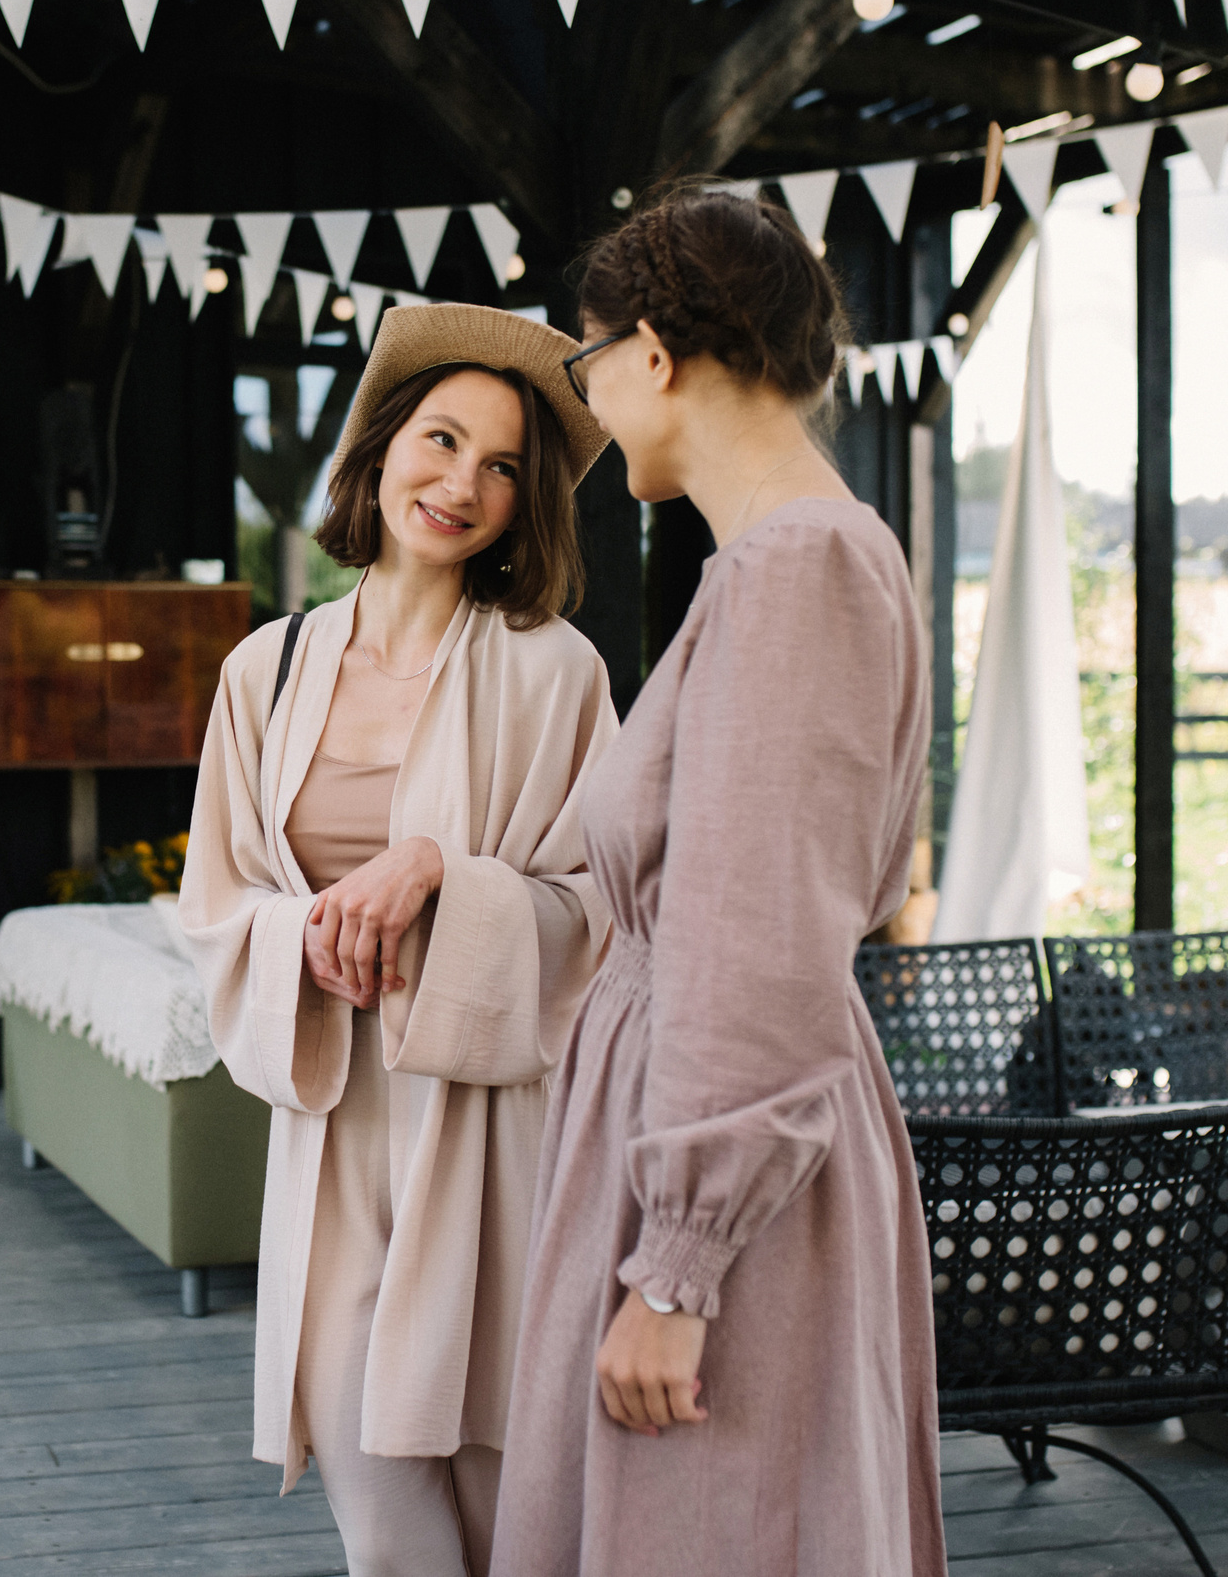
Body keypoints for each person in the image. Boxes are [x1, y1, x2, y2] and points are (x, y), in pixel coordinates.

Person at [491, 186, 948, 1576]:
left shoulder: (795, 571)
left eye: (587, 365)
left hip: (727, 1181)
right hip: (713, 1137)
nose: (591, 408)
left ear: (654, 354)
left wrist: (678, 1267)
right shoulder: (796, 560)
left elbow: (756, 940)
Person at [182, 304, 618, 1576]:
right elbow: (217, 901)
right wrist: (302, 935)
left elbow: (603, 913)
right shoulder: (262, 670)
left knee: (511, 1508)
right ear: (376, 452)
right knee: (381, 1512)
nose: (462, 484)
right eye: (440, 440)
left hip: (493, 1131)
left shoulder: (557, 673)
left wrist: (439, 874)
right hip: (332, 1128)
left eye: (501, 467)